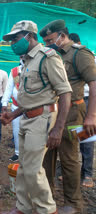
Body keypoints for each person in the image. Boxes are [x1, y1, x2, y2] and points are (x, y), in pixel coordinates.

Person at [1, 20, 72, 214]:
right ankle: (22, 207)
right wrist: (13, 114)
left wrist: (58, 128)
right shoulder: (27, 60)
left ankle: (47, 210)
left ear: (29, 36)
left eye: (15, 38)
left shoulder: (47, 58)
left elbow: (65, 93)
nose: (12, 43)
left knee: (33, 169)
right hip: (26, 118)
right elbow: (29, 97)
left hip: (43, 119)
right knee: (23, 166)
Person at [40, 20, 96, 212]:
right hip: (52, 112)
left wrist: (92, 116)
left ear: (62, 36)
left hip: (74, 113)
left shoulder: (80, 54)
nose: (47, 44)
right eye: (45, 41)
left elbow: (94, 84)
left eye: (50, 40)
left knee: (70, 159)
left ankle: (73, 205)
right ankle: (47, 202)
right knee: (46, 157)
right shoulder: (50, 55)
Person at [69, 33, 95, 188]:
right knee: (72, 137)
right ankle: (74, 171)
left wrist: (92, 113)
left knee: (86, 138)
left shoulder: (87, 57)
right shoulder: (69, 57)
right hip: (71, 102)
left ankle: (87, 173)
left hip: (86, 100)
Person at [1, 56, 25, 162]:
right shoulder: (15, 71)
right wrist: (4, 103)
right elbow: (9, 88)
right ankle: (18, 153)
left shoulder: (36, 69)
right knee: (16, 131)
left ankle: (28, 155)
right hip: (16, 106)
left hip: (32, 108)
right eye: (22, 56)